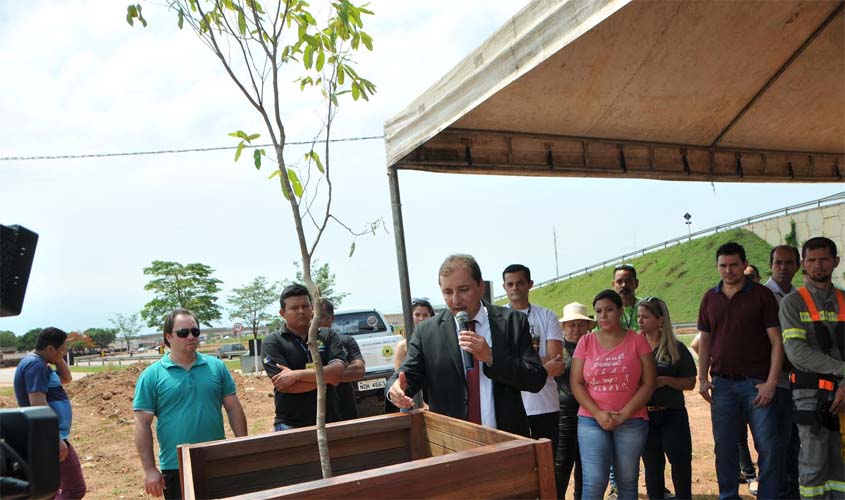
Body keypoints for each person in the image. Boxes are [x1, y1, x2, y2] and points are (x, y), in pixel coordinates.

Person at [386, 253, 546, 436]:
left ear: (480, 286)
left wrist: (491, 357)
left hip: (507, 441)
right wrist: (395, 389)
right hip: (452, 444)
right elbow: (407, 375)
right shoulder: (427, 332)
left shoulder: (512, 322)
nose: (455, 300)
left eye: (463, 290)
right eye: (447, 292)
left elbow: (536, 379)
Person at [697, 242, 783, 500]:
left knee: (767, 447)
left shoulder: (761, 295)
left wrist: (771, 382)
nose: (728, 270)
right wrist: (702, 379)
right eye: (723, 265)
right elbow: (705, 341)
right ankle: (728, 496)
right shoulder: (709, 297)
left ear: (744, 264)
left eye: (734, 265)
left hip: (757, 385)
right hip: (722, 386)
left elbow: (777, 341)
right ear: (717, 266)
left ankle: (768, 496)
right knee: (725, 448)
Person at [133, 308, 247, 499]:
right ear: (168, 337)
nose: (191, 337)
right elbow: (142, 424)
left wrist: (243, 447)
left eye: (195, 332)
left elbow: (233, 408)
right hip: (176, 466)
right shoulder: (152, 375)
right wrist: (150, 469)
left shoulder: (217, 367)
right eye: (183, 333)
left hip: (216, 460)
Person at [570, 289, 656, 500]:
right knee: (594, 482)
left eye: (609, 310)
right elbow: (577, 383)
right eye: (598, 311)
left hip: (632, 419)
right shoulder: (586, 342)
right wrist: (598, 413)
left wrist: (625, 413)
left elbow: (649, 383)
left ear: (619, 311)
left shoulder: (637, 340)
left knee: (627, 481)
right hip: (591, 420)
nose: (603, 315)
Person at [778, 237, 844, 500]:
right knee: (814, 464)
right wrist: (842, 370)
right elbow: (797, 353)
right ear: (803, 265)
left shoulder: (843, 299)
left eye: (824, 259)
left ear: (835, 262)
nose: (818, 265)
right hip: (811, 395)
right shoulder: (792, 303)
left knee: (841, 463)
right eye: (812, 260)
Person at [261, 284, 347, 430]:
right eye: (294, 308)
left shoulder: (327, 335)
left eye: (305, 306)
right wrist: (327, 379)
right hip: (291, 424)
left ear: (312, 308)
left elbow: (338, 372)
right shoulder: (273, 342)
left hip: (330, 421)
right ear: (282, 312)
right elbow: (286, 386)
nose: (301, 311)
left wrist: (296, 374)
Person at [14, 327, 86, 500]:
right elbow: (38, 403)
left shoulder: (42, 364)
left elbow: (66, 378)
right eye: (62, 350)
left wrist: (58, 358)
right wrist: (54, 438)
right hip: (49, 439)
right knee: (74, 489)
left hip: (51, 437)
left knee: (50, 491)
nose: (64, 353)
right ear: (49, 349)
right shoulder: (35, 365)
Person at [502, 264, 565, 454]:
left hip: (544, 404)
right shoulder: (497, 318)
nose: (515, 288)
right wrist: (539, 367)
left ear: (529, 284)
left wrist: (516, 366)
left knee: (547, 463)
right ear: (504, 287)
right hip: (511, 406)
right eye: (510, 284)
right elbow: (499, 365)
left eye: (520, 283)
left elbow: (557, 360)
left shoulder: (547, 316)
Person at [638, 297, 696, 500]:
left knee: (680, 465)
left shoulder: (676, 348)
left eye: (645, 316)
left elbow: (690, 382)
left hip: (673, 415)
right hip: (645, 416)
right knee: (652, 468)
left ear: (660, 319)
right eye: (638, 316)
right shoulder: (634, 348)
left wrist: (666, 381)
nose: (640, 320)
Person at [766, 245, 802, 499]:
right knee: (775, 442)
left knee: (795, 442)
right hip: (773, 382)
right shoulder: (761, 296)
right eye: (778, 262)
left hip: (800, 381)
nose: (783, 268)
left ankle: (792, 490)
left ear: (798, 266)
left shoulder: (801, 297)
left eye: (789, 263)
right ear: (771, 265)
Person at [555, 302, 594, 500]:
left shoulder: (596, 348)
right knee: (562, 463)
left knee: (586, 465)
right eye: (572, 324)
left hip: (591, 413)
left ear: (588, 326)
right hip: (565, 414)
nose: (576, 329)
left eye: (581, 324)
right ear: (563, 326)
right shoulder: (556, 349)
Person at [319, 300, 365, 421]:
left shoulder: (346, 341)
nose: (316, 321)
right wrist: (336, 371)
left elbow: (359, 370)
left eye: (321, 316)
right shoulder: (303, 344)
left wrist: (311, 377)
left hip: (345, 408)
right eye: (312, 316)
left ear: (332, 318)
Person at [393, 298, 435, 370]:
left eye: (425, 315)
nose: (421, 318)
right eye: (417, 315)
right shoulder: (403, 346)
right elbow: (399, 375)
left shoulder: (439, 341)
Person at [612, 264, 641, 331]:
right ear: (613, 285)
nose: (624, 285)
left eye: (628, 281)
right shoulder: (608, 311)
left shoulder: (647, 307)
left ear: (636, 283)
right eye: (619, 282)